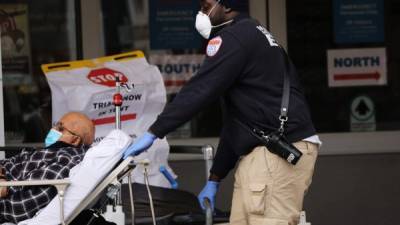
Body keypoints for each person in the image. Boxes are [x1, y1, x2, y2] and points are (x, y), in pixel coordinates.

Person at [123, 0, 321, 224]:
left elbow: (200, 90)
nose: (201, 13)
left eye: (206, 7)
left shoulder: (234, 38)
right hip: (267, 152)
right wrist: (215, 179)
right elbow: (238, 122)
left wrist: (154, 132)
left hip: (275, 155)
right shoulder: (253, 33)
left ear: (226, 6)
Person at [0, 112, 95, 224]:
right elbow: (5, 163)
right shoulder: (45, 152)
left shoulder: (66, 160)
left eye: (60, 128)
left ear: (75, 140)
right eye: (55, 125)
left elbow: (20, 209)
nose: (53, 129)